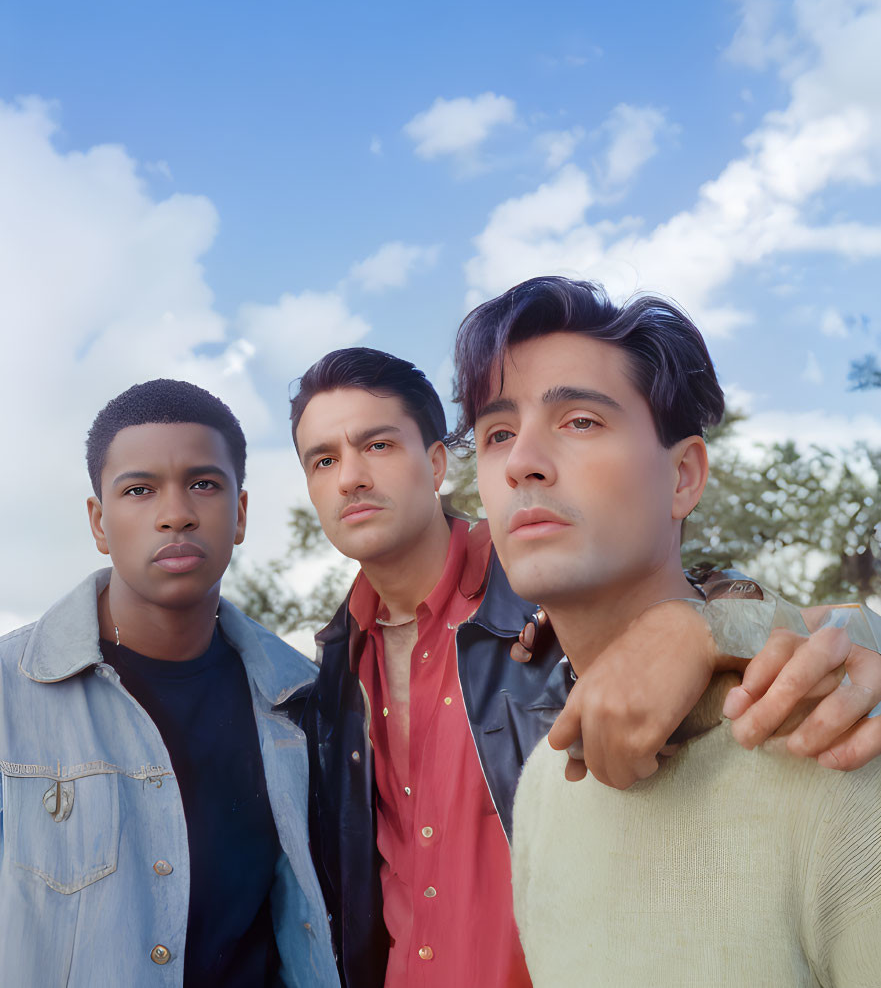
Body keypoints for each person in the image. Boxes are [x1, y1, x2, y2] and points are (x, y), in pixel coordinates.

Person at [290, 346, 881, 988]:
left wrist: (701, 625)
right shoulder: (333, 667)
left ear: (436, 463)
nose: (349, 477)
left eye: (376, 445)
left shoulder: (544, 589)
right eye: (323, 460)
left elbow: (787, 618)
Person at [451, 275, 881, 985]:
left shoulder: (828, 745)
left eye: (579, 420)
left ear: (683, 476)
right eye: (497, 434)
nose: (521, 461)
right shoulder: (541, 792)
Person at [0, 379, 339, 988]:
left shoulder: (304, 701)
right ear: (100, 523)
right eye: (139, 489)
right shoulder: (8, 693)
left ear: (239, 514)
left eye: (204, 484)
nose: (176, 512)